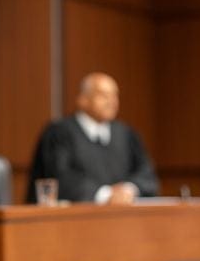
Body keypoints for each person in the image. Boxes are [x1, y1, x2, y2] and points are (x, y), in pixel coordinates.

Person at [27, 72, 157, 204]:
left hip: (122, 216)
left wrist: (128, 190)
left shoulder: (126, 133)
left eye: (114, 95)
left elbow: (146, 174)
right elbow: (59, 177)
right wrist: (105, 195)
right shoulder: (59, 133)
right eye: (103, 95)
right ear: (83, 99)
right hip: (74, 219)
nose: (111, 102)